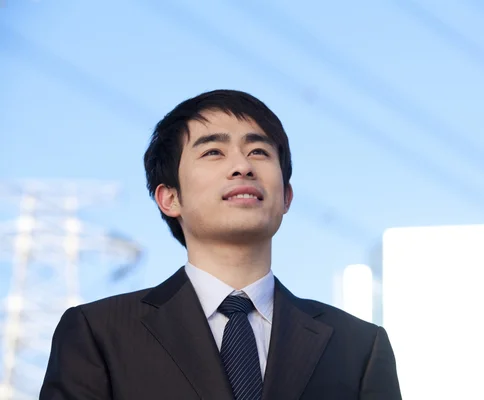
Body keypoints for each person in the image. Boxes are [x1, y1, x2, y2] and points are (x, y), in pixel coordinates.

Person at [40, 89, 402, 399]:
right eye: (213, 152)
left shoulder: (357, 346)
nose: (242, 166)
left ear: (286, 196)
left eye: (259, 152)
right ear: (169, 198)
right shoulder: (99, 332)